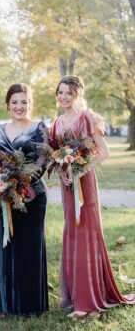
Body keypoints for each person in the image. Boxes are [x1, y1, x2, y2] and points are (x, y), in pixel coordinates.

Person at [50, 75, 135, 318]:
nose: (63, 96)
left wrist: (80, 168)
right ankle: (76, 296)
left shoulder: (88, 119)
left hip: (85, 186)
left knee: (85, 234)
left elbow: (104, 152)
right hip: (68, 187)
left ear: (78, 94)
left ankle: (87, 304)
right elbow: (56, 156)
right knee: (72, 234)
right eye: (60, 92)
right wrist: (63, 171)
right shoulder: (56, 123)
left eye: (68, 92)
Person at [0, 83, 49, 316]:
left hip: (32, 196)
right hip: (4, 195)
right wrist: (3, 182)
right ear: (7, 105)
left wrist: (20, 182)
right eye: (15, 102)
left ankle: (30, 305)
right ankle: (7, 304)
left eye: (24, 102)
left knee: (29, 247)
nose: (19, 106)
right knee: (8, 245)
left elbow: (42, 161)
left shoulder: (39, 128)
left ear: (30, 103)